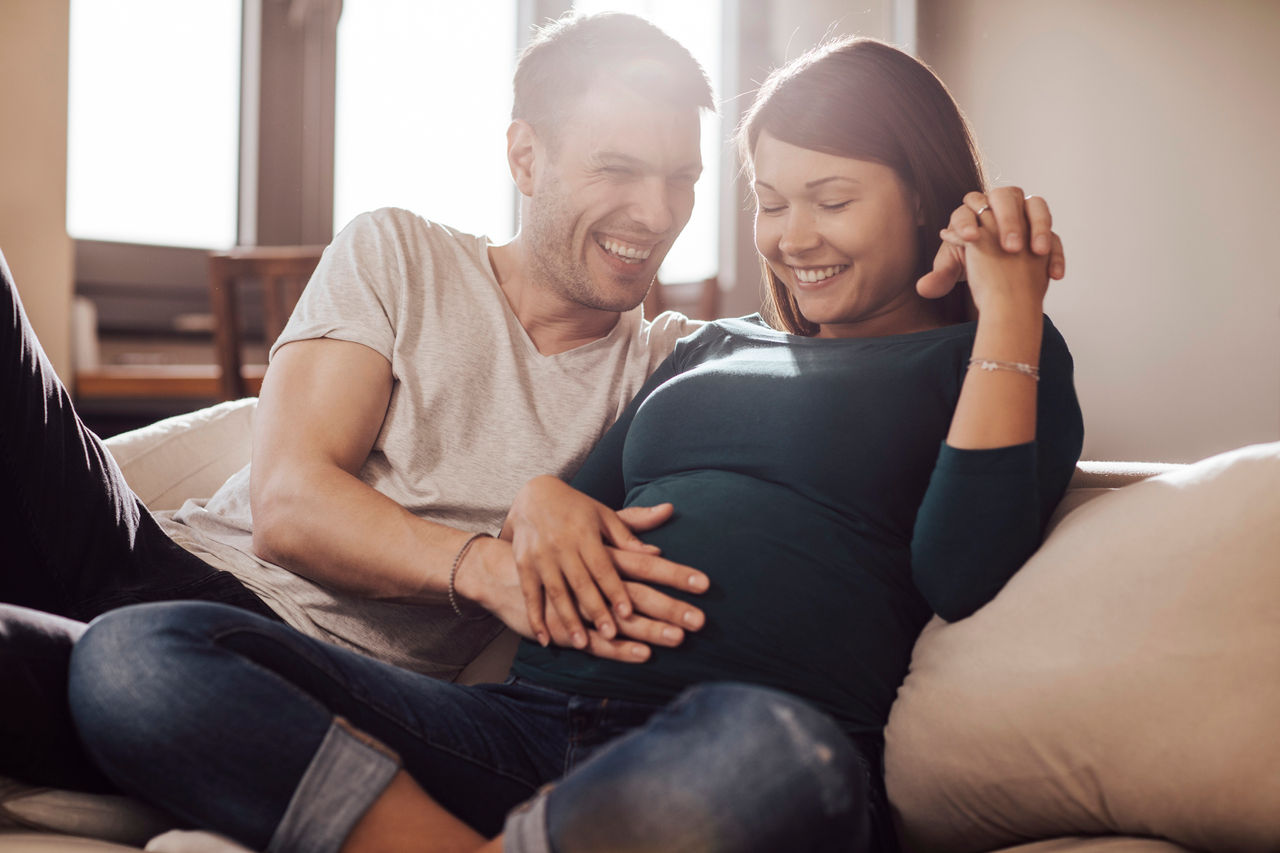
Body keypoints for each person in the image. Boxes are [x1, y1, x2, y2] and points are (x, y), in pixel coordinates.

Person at [68, 35, 1083, 853]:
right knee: (138, 655)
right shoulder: (708, 348)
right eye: (770, 202)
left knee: (778, 757)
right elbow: (561, 501)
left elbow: (963, 568)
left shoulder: (992, 363)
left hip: (726, 736)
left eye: (831, 200)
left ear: (921, 197)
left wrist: (1006, 315)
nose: (791, 236)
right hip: (522, 728)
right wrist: (539, 503)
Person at [0, 11, 718, 793]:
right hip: (144, 551)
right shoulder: (399, 251)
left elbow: (820, 350)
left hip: (281, 669)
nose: (657, 213)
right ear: (525, 156)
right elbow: (289, 505)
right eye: (617, 168)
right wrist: (487, 568)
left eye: (682, 178)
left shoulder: (668, 363)